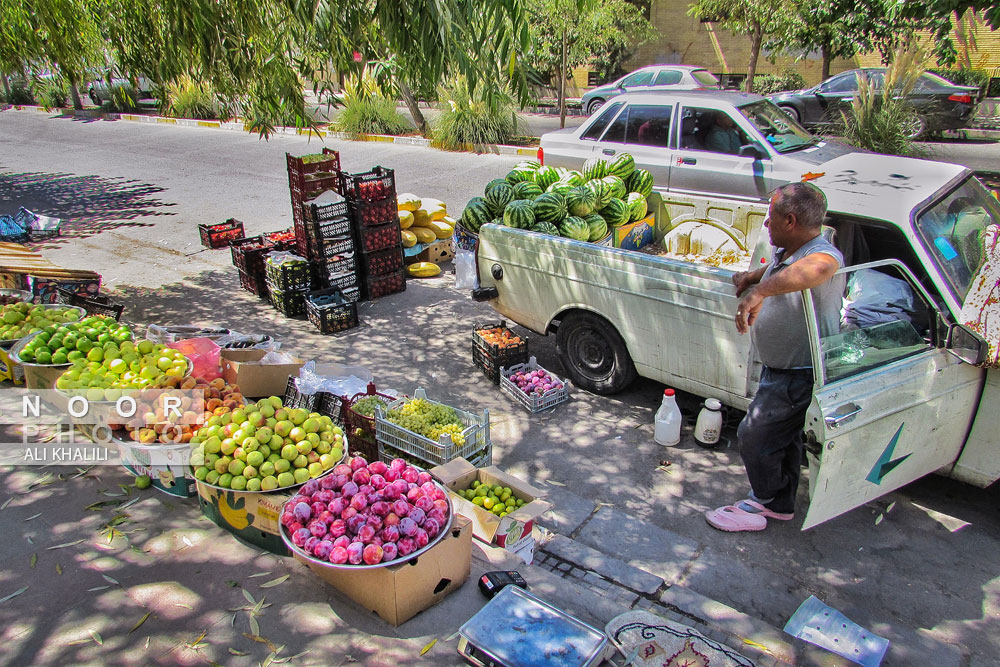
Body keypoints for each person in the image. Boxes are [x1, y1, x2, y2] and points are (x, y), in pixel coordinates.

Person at [705, 182, 846, 532]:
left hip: (798, 372)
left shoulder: (823, 257)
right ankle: (781, 502)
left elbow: (808, 272)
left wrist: (759, 293)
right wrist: (750, 277)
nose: (766, 225)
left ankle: (766, 501)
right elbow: (778, 270)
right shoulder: (789, 251)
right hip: (779, 368)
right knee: (783, 439)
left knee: (754, 436)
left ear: (792, 221)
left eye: (770, 219)